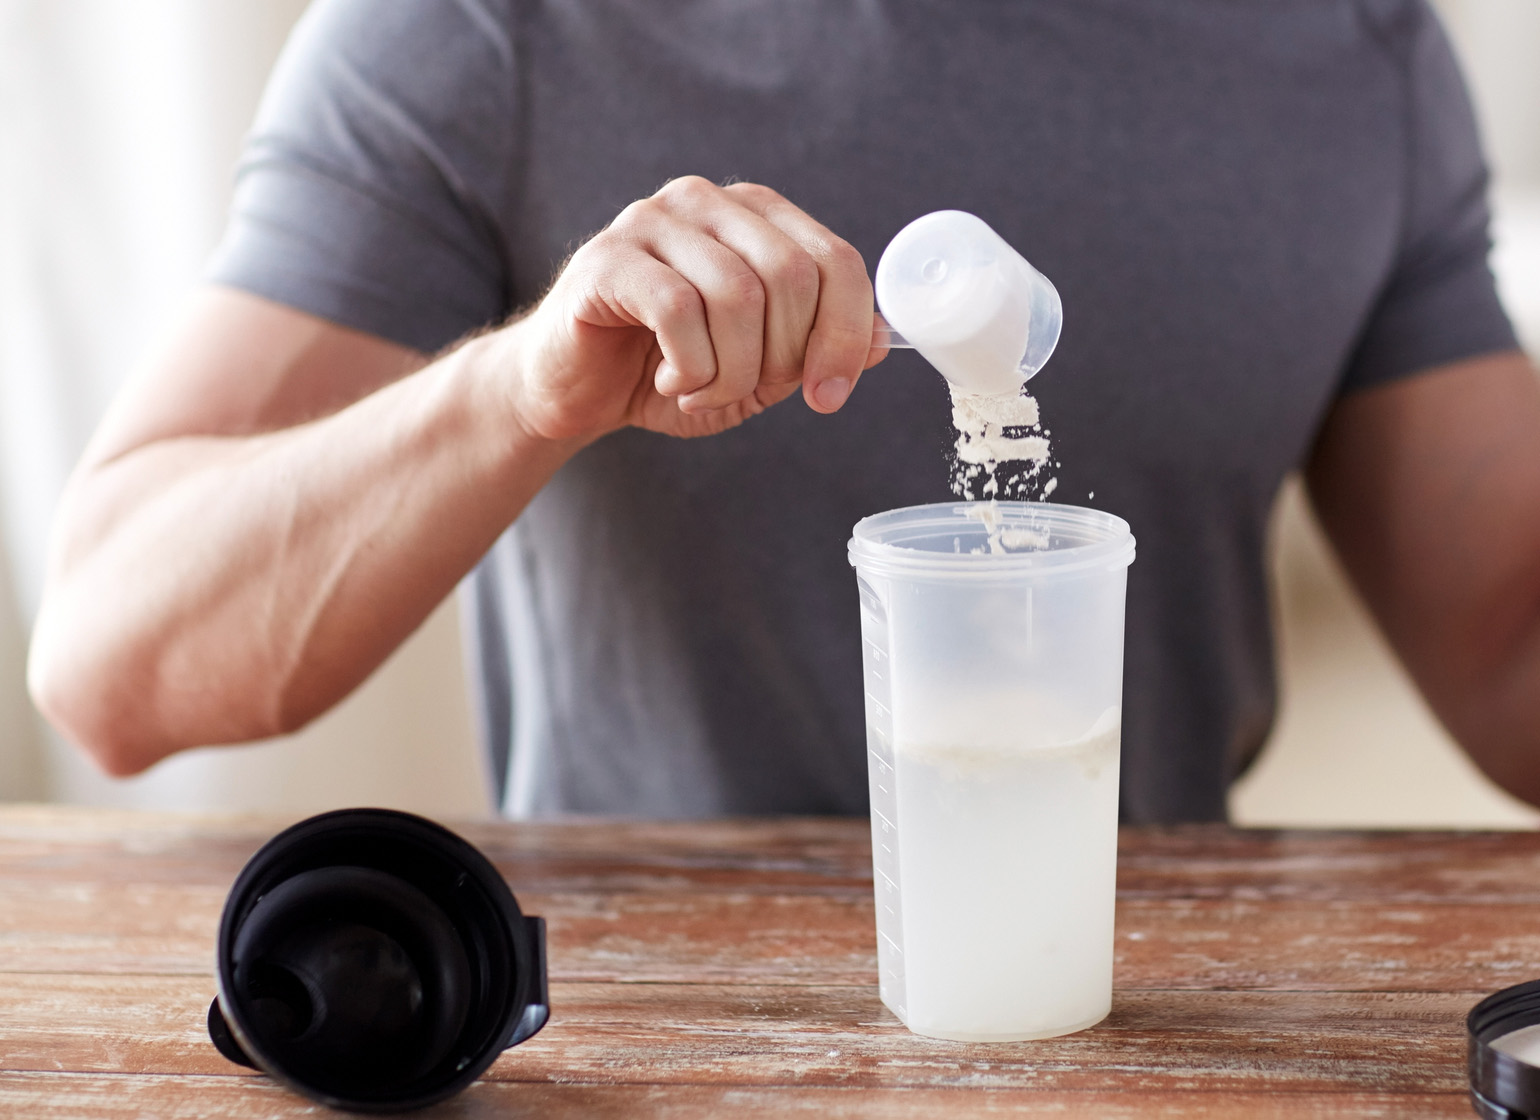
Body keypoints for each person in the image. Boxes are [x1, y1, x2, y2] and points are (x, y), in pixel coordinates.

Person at [26, 0, 1540, 821]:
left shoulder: (1346, 51)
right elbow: (115, 663)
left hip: (1144, 1030)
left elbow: (1511, 646)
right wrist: (521, 385)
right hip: (648, 1037)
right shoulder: (493, 34)